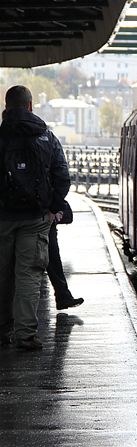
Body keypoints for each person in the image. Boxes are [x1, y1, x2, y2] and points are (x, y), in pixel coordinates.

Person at [0, 85, 71, 350]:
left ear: (6, 107)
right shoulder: (46, 137)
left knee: (3, 273)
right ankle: (26, 334)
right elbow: (62, 177)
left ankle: (2, 329)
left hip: (3, 217)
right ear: (30, 106)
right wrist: (50, 207)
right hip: (35, 218)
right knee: (29, 274)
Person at [47, 201, 84, 310]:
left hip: (41, 213)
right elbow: (59, 186)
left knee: (52, 258)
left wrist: (56, 208)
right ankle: (63, 296)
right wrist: (56, 208)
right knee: (52, 258)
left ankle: (63, 296)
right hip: (41, 214)